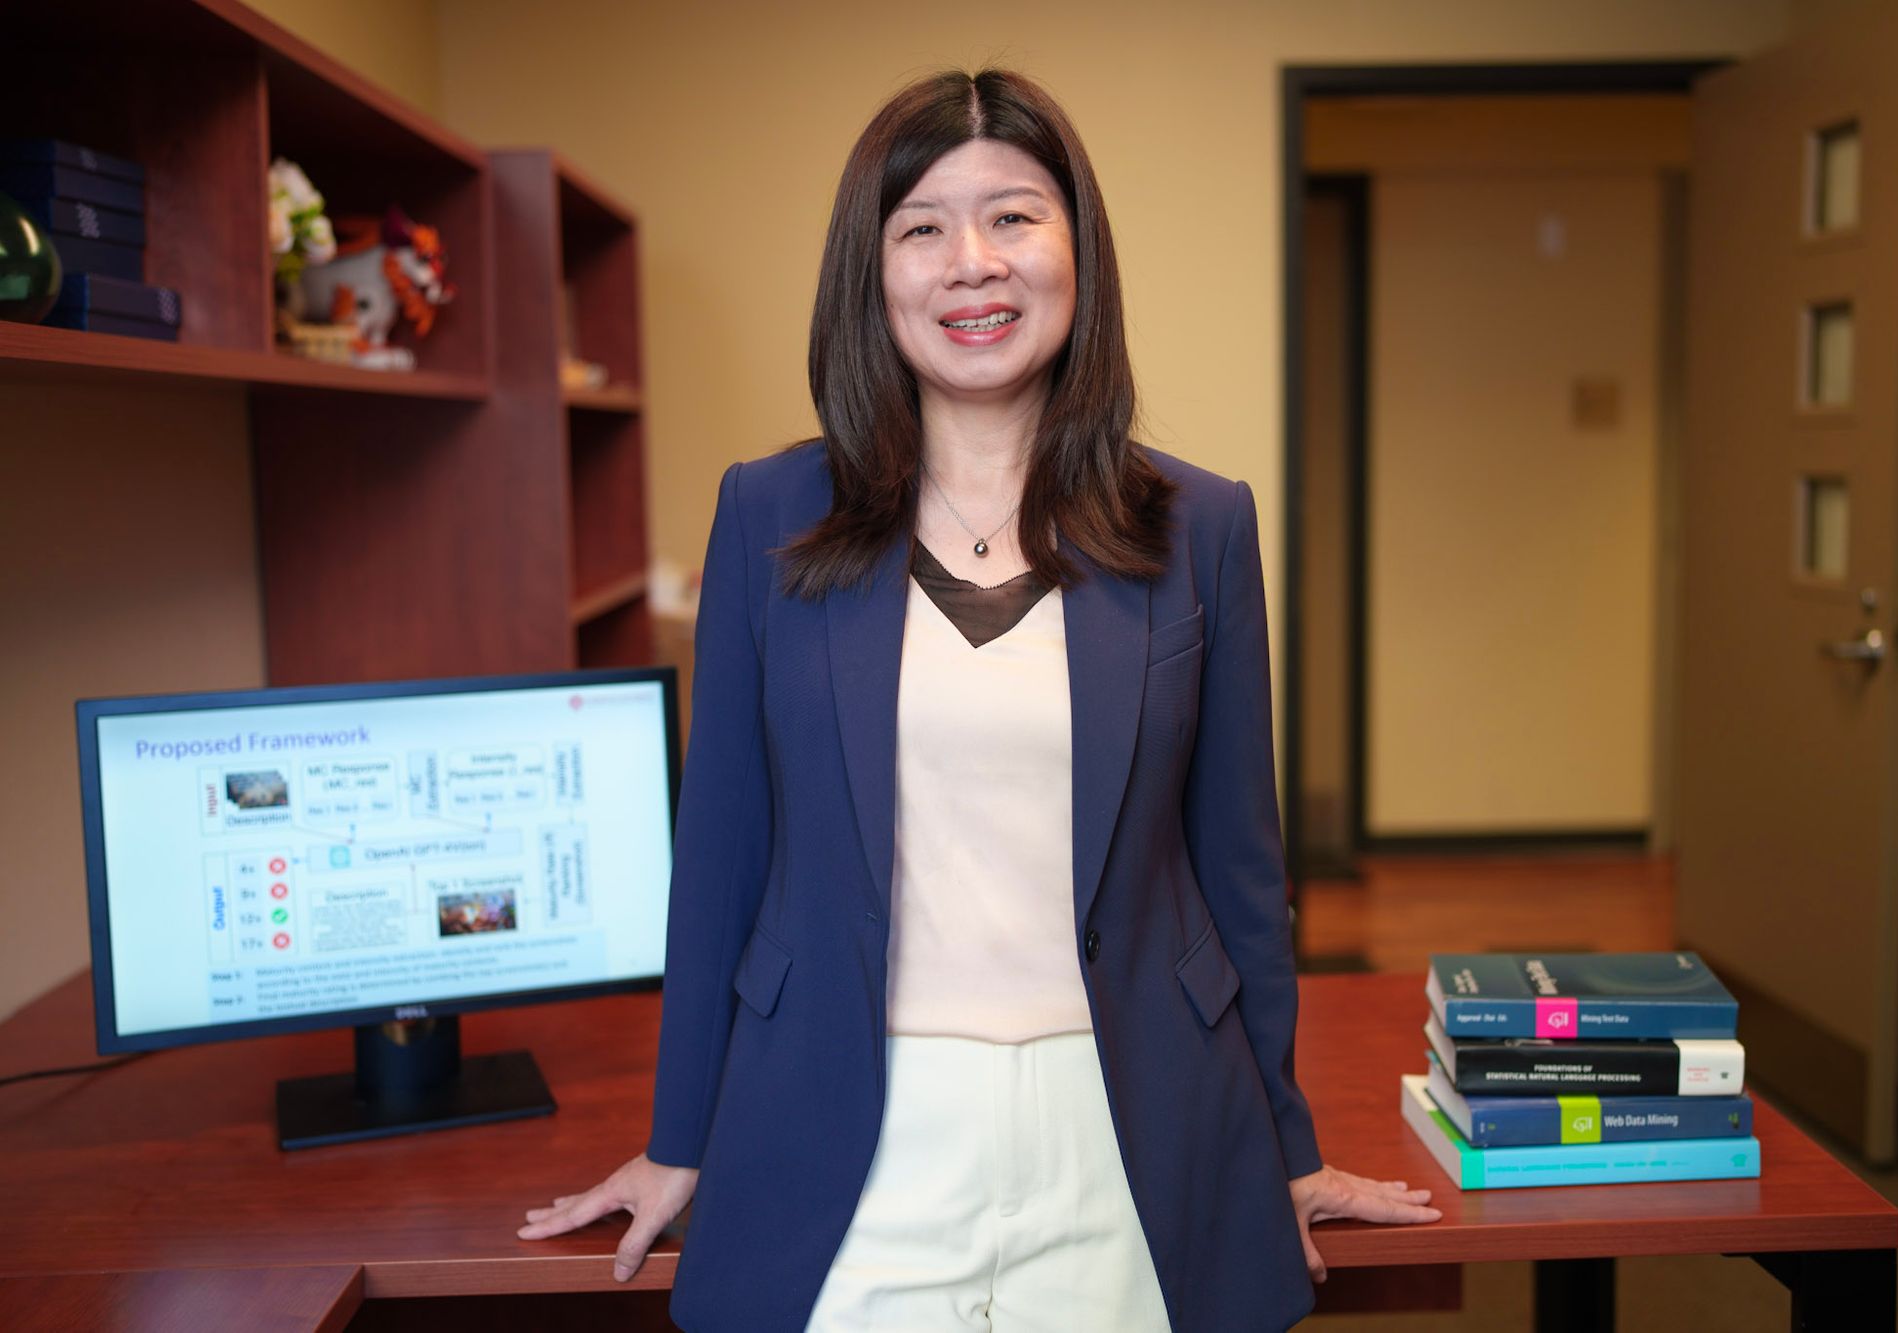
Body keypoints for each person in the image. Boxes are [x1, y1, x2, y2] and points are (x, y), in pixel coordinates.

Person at [519, 67, 1440, 1330]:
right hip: (852, 1111)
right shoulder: (768, 515)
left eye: (1013, 216)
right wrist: (682, 1136)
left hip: (1122, 1119)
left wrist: (1280, 1144)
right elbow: (722, 854)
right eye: (921, 228)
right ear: (873, 271)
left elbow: (1238, 874)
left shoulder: (1200, 524)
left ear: (1077, 250)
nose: (972, 263)